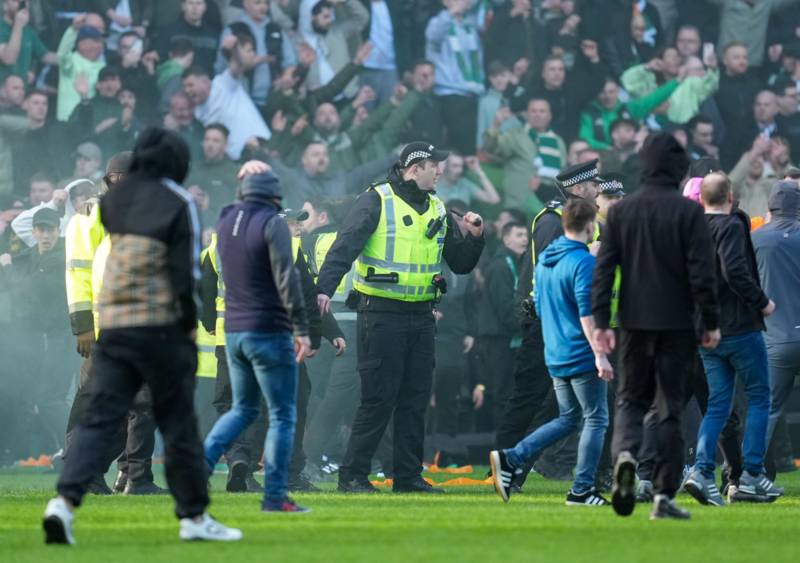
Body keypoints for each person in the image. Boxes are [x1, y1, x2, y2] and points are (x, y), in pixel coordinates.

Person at [42, 128, 242, 545]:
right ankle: (192, 516)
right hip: (158, 328)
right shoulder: (178, 202)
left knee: (99, 417)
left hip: (114, 324)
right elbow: (184, 275)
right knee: (179, 424)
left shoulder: (107, 204)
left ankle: (63, 503)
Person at [316, 142, 485, 494]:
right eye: (433, 166)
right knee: (378, 399)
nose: (439, 171)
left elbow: (461, 264)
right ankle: (353, 475)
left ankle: (407, 476)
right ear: (413, 168)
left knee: (415, 399)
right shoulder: (376, 199)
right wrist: (322, 290)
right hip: (380, 314)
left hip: (422, 317)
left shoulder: (437, 207)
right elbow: (343, 247)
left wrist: (476, 238)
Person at [591, 132, 721, 520]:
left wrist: (602, 321)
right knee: (669, 408)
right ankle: (663, 494)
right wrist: (710, 322)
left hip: (631, 322)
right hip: (677, 324)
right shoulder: (689, 213)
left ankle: (626, 458)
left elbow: (604, 269)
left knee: (629, 400)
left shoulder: (621, 212)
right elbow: (703, 273)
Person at [203, 166, 313, 513]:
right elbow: (286, 278)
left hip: (232, 330)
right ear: (274, 197)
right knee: (282, 414)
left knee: (241, 410)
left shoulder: (224, 224)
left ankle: (196, 473)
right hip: (267, 328)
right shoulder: (274, 224)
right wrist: (301, 329)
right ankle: (276, 496)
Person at [491, 198, 612, 506]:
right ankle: (583, 488)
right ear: (590, 226)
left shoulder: (545, 261)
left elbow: (541, 307)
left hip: (554, 351)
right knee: (596, 418)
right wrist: (599, 352)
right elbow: (587, 311)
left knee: (568, 418)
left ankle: (512, 457)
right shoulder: (584, 261)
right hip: (581, 350)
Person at [60, 155, 163, 497]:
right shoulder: (93, 216)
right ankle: (106, 474)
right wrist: (83, 326)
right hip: (107, 328)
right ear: (117, 179)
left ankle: (122, 475)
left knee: (132, 405)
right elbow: (78, 273)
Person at [683, 172, 780, 506]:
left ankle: (701, 471)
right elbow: (735, 271)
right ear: (729, 197)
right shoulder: (732, 227)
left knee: (718, 404)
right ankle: (752, 475)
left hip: (706, 332)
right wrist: (762, 302)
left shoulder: (690, 232)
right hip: (738, 327)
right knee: (759, 397)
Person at [751, 181, 800, 482]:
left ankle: (748, 474)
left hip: (775, 338)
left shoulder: (756, 239)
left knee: (766, 410)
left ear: (770, 207)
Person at [475, 221, 528, 429]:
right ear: (506, 239)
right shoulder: (500, 266)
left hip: (508, 337)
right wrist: (524, 325)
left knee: (510, 393)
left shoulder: (514, 262)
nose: (524, 239)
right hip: (498, 340)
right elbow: (504, 307)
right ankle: (503, 448)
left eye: (525, 234)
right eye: (519, 234)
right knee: (503, 393)